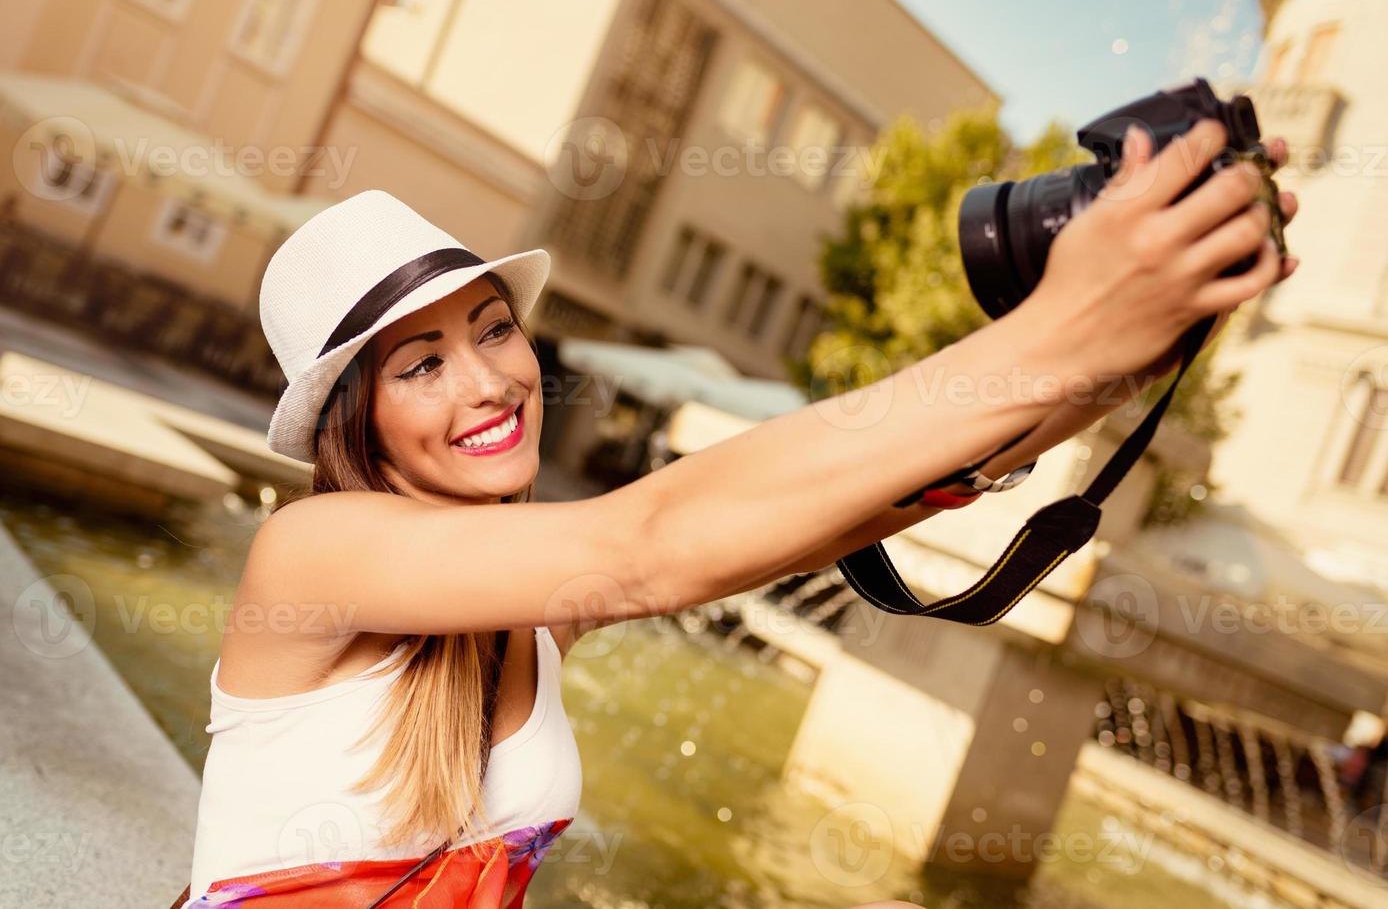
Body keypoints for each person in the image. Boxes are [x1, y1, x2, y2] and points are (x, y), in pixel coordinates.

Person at [180, 120, 1299, 907]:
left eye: (492, 329)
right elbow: (647, 546)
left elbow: (829, 515)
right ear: (356, 423)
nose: (487, 380)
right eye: (420, 363)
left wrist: (1138, 338)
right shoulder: (307, 551)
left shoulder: (523, 621)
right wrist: (1064, 327)